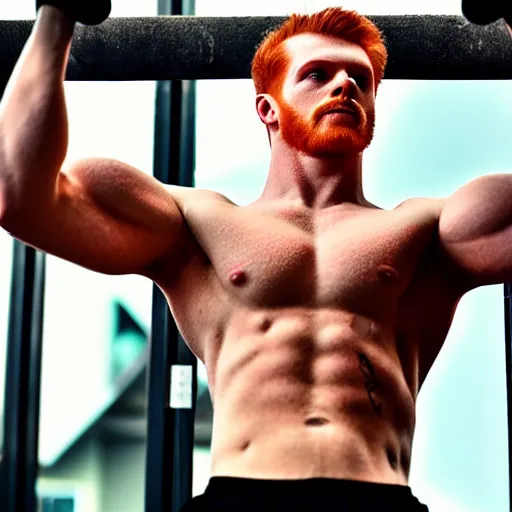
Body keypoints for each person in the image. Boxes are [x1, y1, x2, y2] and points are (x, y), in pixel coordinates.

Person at [1, 3, 511, 511]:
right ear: (267, 108)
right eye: (317, 74)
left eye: (361, 79)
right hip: (240, 497)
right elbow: (19, 194)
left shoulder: (427, 231)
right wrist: (58, 15)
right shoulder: (195, 224)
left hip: (378, 494)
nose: (345, 86)